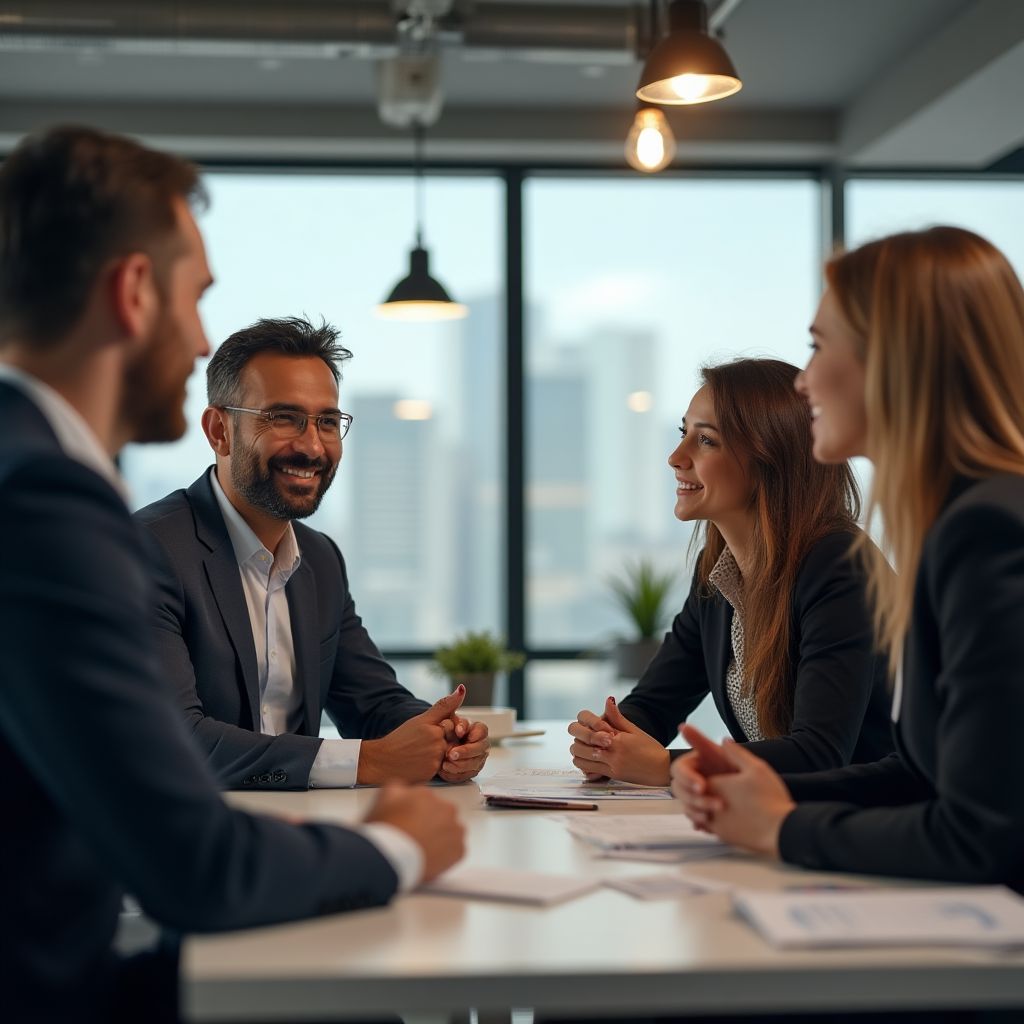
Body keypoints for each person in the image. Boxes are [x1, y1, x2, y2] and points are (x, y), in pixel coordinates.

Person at [0, 124, 465, 1024]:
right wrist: (396, 849)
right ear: (135, 291)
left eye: (330, 421)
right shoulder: (47, 505)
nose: (199, 334)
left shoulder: (28, 477)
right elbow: (194, 864)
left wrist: (424, 739)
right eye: (197, 295)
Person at [673, 227, 1024, 893]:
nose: (802, 382)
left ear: (896, 360)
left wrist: (779, 828)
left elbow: (984, 836)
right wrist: (755, 789)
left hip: (992, 966)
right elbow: (921, 775)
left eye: (818, 346)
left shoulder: (988, 531)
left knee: (621, 997)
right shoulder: (960, 520)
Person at [134, 316, 488, 790]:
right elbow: (176, 739)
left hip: (298, 826)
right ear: (219, 430)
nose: (312, 446)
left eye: (326, 421)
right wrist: (370, 762)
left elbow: (373, 703)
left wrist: (442, 737)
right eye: (284, 418)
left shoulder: (320, 559)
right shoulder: (149, 548)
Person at [569, 358, 892, 786]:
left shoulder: (841, 568)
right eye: (684, 433)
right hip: (790, 826)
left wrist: (670, 767)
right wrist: (608, 740)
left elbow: (821, 754)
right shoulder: (717, 574)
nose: (675, 457)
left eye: (705, 441)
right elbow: (653, 707)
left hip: (882, 832)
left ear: (769, 458)